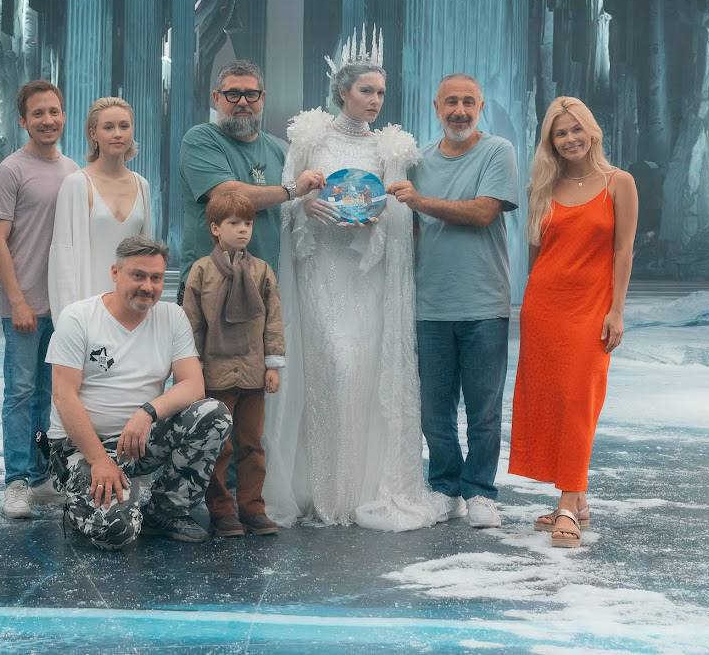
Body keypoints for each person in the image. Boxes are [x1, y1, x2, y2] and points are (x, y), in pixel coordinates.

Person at [262, 50, 447, 531]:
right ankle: (318, 487)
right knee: (330, 368)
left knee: (362, 372)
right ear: (343, 92)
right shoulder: (311, 137)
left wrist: (380, 217)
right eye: (366, 90)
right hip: (320, 272)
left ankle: (360, 489)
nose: (375, 100)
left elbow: (399, 208)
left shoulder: (391, 148)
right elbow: (287, 196)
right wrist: (305, 206)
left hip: (367, 277)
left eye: (380, 92)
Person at [387, 73, 520, 530]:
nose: (459, 111)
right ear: (436, 107)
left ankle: (480, 491)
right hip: (430, 306)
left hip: (484, 303)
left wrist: (420, 202)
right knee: (434, 412)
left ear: (480, 107)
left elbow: (483, 212)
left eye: (468, 102)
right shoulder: (418, 160)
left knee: (484, 411)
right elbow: (405, 228)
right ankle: (445, 488)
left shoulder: (498, 151)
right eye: (451, 103)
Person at [508, 96, 638, 548]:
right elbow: (537, 256)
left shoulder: (619, 182)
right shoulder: (542, 188)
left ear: (591, 130)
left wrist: (617, 310)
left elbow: (623, 251)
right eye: (560, 133)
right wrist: (529, 306)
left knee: (581, 400)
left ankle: (567, 502)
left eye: (576, 129)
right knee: (553, 401)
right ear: (551, 141)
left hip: (592, 308)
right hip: (545, 307)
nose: (570, 139)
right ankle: (576, 501)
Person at [45, 237, 233, 550]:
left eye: (156, 278)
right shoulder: (78, 317)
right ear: (115, 273)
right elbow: (64, 396)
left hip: (137, 442)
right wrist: (99, 460)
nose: (148, 286)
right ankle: (86, 501)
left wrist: (147, 413)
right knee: (117, 531)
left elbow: (193, 385)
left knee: (213, 414)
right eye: (138, 276)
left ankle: (165, 510)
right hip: (79, 446)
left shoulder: (172, 317)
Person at [0, 80, 77, 519]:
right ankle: (16, 481)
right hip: (24, 306)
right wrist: (17, 300)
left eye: (54, 111)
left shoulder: (73, 171)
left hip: (63, 306)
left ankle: (41, 476)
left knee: (48, 395)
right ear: (23, 120)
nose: (47, 120)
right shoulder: (11, 170)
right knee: (20, 394)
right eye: (38, 113)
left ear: (64, 116)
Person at [181, 192, 285, 538]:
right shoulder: (201, 271)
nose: (243, 230)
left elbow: (273, 321)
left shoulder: (261, 271)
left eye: (248, 223)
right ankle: (222, 510)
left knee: (252, 444)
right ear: (215, 228)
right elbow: (192, 324)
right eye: (234, 223)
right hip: (216, 374)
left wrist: (273, 365)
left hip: (253, 374)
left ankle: (253, 509)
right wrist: (193, 369)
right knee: (220, 447)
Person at [178, 60, 323, 301]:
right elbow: (228, 196)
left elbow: (291, 213)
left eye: (251, 94)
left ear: (262, 98)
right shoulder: (200, 139)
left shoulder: (280, 150)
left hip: (264, 288)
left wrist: (311, 203)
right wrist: (293, 190)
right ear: (216, 98)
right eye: (233, 94)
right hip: (209, 288)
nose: (243, 102)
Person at [47, 97, 151, 322]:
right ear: (93, 133)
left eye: (124, 126)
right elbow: (62, 258)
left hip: (132, 311)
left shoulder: (142, 185)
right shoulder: (75, 184)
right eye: (108, 127)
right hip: (87, 312)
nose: (118, 134)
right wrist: (69, 322)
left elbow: (148, 257)